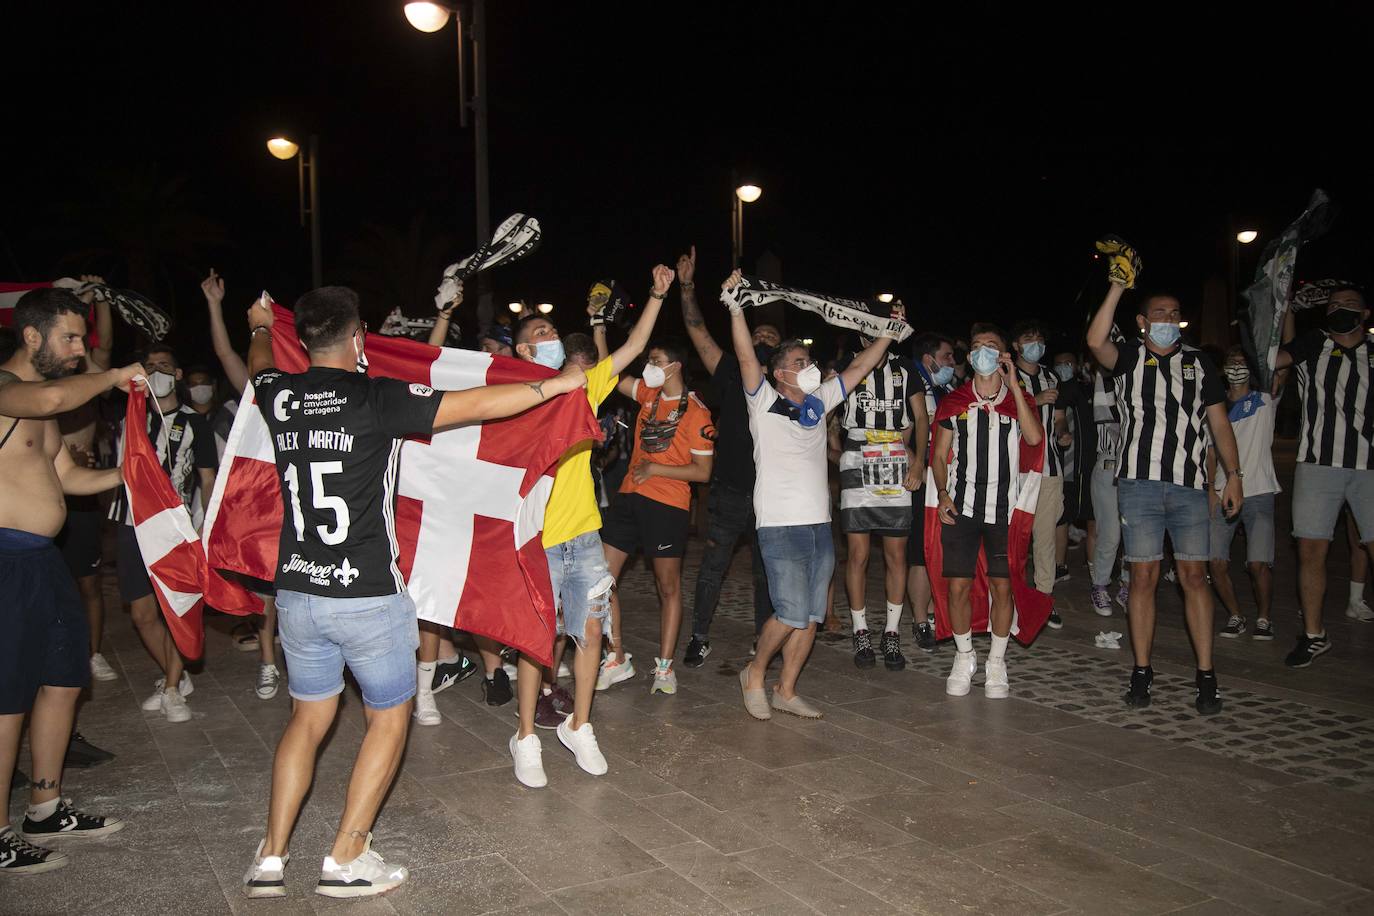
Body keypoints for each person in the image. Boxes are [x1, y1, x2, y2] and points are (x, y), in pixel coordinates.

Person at [240, 286, 586, 898]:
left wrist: (260, 326)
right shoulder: (377, 399)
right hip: (369, 595)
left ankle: (271, 858)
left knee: (308, 718)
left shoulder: (280, 396)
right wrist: (551, 387)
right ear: (356, 340)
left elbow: (260, 366)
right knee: (387, 719)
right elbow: (476, 404)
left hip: (297, 593)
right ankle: (346, 857)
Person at [0, 287, 140, 874]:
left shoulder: (45, 409)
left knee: (62, 678)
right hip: (6, 561)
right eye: (71, 338)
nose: (81, 350)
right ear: (31, 337)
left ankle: (45, 805)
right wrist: (113, 377)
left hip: (42, 560)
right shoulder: (11, 393)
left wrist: (129, 476)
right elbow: (57, 391)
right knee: (7, 696)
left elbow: (65, 480)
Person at [727, 271, 904, 720]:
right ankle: (755, 672)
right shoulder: (762, 400)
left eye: (810, 360)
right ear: (780, 372)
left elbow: (859, 368)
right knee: (788, 612)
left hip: (818, 525)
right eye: (801, 361)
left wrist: (887, 332)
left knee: (810, 616)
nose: (810, 366)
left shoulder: (818, 401)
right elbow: (746, 356)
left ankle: (786, 690)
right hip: (779, 524)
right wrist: (735, 306)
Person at [1086, 257, 1243, 715]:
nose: (1168, 321)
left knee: (1196, 577)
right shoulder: (1129, 357)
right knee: (1144, 578)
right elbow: (1096, 339)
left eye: (1174, 314)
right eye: (1159, 314)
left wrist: (1232, 476)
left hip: (1191, 487)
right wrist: (1117, 286)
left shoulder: (1198, 365)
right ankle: (1141, 671)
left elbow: (1220, 426)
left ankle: (1207, 675)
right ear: (1141, 322)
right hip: (1138, 485)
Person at [677, 246, 778, 667]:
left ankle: (764, 640)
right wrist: (686, 287)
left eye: (772, 340)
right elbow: (698, 331)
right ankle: (699, 636)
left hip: (772, 495)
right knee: (712, 566)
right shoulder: (732, 369)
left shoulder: (792, 383)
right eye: (759, 337)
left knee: (765, 574)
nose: (764, 342)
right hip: (731, 491)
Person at [599, 327, 714, 695]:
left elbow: (703, 471)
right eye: (648, 360)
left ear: (675, 367)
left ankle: (664, 668)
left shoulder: (697, 413)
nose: (649, 366)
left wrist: (656, 469)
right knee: (601, 581)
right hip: (628, 498)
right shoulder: (648, 395)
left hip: (667, 505)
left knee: (668, 586)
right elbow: (610, 372)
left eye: (655, 361)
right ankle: (616, 656)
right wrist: (601, 329)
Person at [931, 324, 1043, 698]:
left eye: (990, 347)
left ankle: (997, 661)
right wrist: (944, 492)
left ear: (1003, 356)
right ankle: (964, 656)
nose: (982, 352)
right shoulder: (955, 402)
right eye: (976, 346)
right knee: (958, 586)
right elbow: (938, 455)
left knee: (1002, 586)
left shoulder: (1016, 401)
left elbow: (1032, 438)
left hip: (1004, 510)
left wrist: (1014, 387)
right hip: (962, 508)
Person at [111, 341, 219, 722]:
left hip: (175, 528)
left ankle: (172, 687)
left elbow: (208, 478)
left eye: (163, 366)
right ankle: (177, 674)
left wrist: (206, 526)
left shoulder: (195, 422)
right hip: (130, 524)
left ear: (176, 374)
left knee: (177, 608)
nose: (156, 371)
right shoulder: (129, 417)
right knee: (142, 614)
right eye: (149, 365)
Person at [1273, 287, 1374, 667]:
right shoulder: (1314, 345)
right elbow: (1276, 357)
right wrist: (1283, 307)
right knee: (1311, 549)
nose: (1339, 311)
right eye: (1333, 306)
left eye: (1348, 306)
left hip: (1370, 467)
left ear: (1364, 313)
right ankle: (1314, 634)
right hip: (1317, 463)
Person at [202, 269, 283, 698]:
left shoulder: (312, 392)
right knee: (267, 596)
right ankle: (268, 663)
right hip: (266, 508)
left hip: (306, 507)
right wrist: (215, 304)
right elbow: (226, 354)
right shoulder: (261, 390)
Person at [833, 326, 914, 671]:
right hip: (856, 459)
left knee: (897, 554)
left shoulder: (905, 369)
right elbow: (823, 415)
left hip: (895, 461)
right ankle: (861, 629)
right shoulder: (844, 367)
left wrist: (917, 458)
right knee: (858, 554)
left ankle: (892, 632)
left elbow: (919, 417)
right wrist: (834, 454)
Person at [53, 277, 116, 684]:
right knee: (55, 582)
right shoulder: (45, 385)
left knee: (89, 582)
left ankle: (93, 654)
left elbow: (104, 349)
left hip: (83, 492)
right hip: (48, 488)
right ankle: (56, 650)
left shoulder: (90, 378)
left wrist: (103, 300)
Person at [1207, 345, 1282, 641]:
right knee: (1216, 562)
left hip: (1260, 490)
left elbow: (1278, 358)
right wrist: (1210, 490)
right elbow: (1211, 453)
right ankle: (1235, 615)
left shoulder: (1265, 399)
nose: (1237, 366)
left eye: (1242, 362)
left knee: (1257, 564)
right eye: (1231, 362)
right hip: (1222, 492)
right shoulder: (1215, 407)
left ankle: (1264, 618)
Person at [1010, 321, 1066, 627]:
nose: (1036, 343)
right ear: (1016, 346)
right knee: (1013, 540)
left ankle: (1044, 600)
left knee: (1044, 539)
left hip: (1049, 467)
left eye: (1039, 338)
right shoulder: (1007, 377)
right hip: (1014, 469)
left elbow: (1059, 417)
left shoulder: (1050, 375)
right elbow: (1003, 413)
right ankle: (1011, 597)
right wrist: (1034, 401)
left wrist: (1063, 431)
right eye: (1028, 338)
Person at [904, 332, 956, 652]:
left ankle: (941, 616)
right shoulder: (912, 383)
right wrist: (917, 466)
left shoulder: (947, 388)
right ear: (929, 359)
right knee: (920, 554)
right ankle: (921, 620)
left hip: (945, 481)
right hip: (920, 481)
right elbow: (901, 432)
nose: (953, 362)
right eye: (947, 356)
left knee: (943, 551)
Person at [1087, 363, 1129, 614]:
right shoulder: (1107, 384)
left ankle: (1128, 585)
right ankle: (1100, 586)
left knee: (1133, 533)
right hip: (1109, 466)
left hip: (1138, 471)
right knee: (1110, 533)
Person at [1051, 350, 1093, 585]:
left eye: (1068, 363)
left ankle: (1099, 569)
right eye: (1059, 364)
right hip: (1063, 466)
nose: (1063, 367)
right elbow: (1059, 420)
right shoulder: (1053, 390)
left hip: (1087, 465)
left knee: (1093, 518)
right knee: (1061, 517)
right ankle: (1059, 564)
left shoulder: (1086, 390)